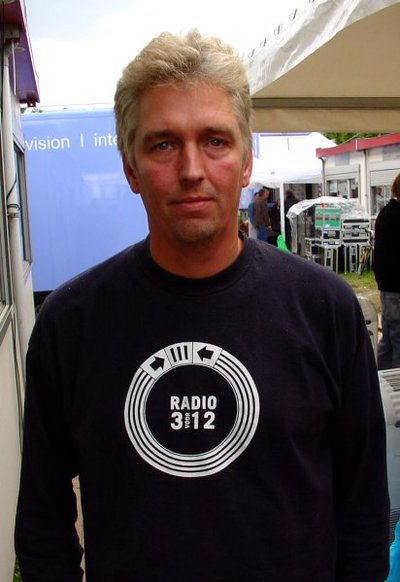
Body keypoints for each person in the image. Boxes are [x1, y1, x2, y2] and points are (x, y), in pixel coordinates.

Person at [15, 30, 390, 582]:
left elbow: (364, 511)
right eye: (163, 144)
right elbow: (42, 527)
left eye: (215, 140)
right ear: (130, 168)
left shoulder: (325, 310)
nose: (192, 169)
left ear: (246, 162)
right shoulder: (70, 325)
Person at [374, 173, 400, 369]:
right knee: (397, 340)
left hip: (387, 285)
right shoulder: (397, 216)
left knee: (389, 340)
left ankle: (379, 379)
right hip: (396, 286)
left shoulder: (385, 212)